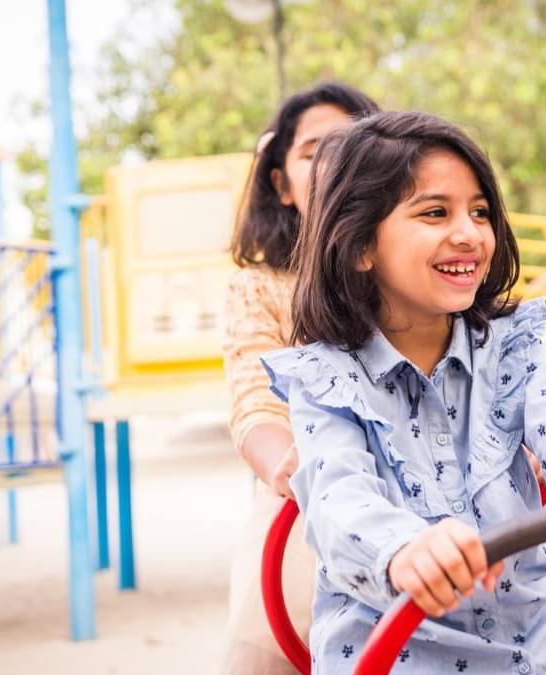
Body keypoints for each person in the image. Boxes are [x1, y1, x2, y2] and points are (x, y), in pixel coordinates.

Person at [262, 110, 546, 673]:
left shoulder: (511, 350)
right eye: (435, 212)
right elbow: (338, 501)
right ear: (361, 246)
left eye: (479, 212)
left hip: (545, 633)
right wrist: (405, 550)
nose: (469, 232)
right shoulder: (326, 380)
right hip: (402, 646)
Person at [221, 82, 380, 674]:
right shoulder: (262, 289)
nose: (336, 160)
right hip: (310, 487)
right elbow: (254, 399)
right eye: (315, 150)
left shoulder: (409, 270)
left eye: (352, 144)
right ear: (282, 184)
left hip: (427, 482)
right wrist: (293, 465)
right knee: (280, 586)